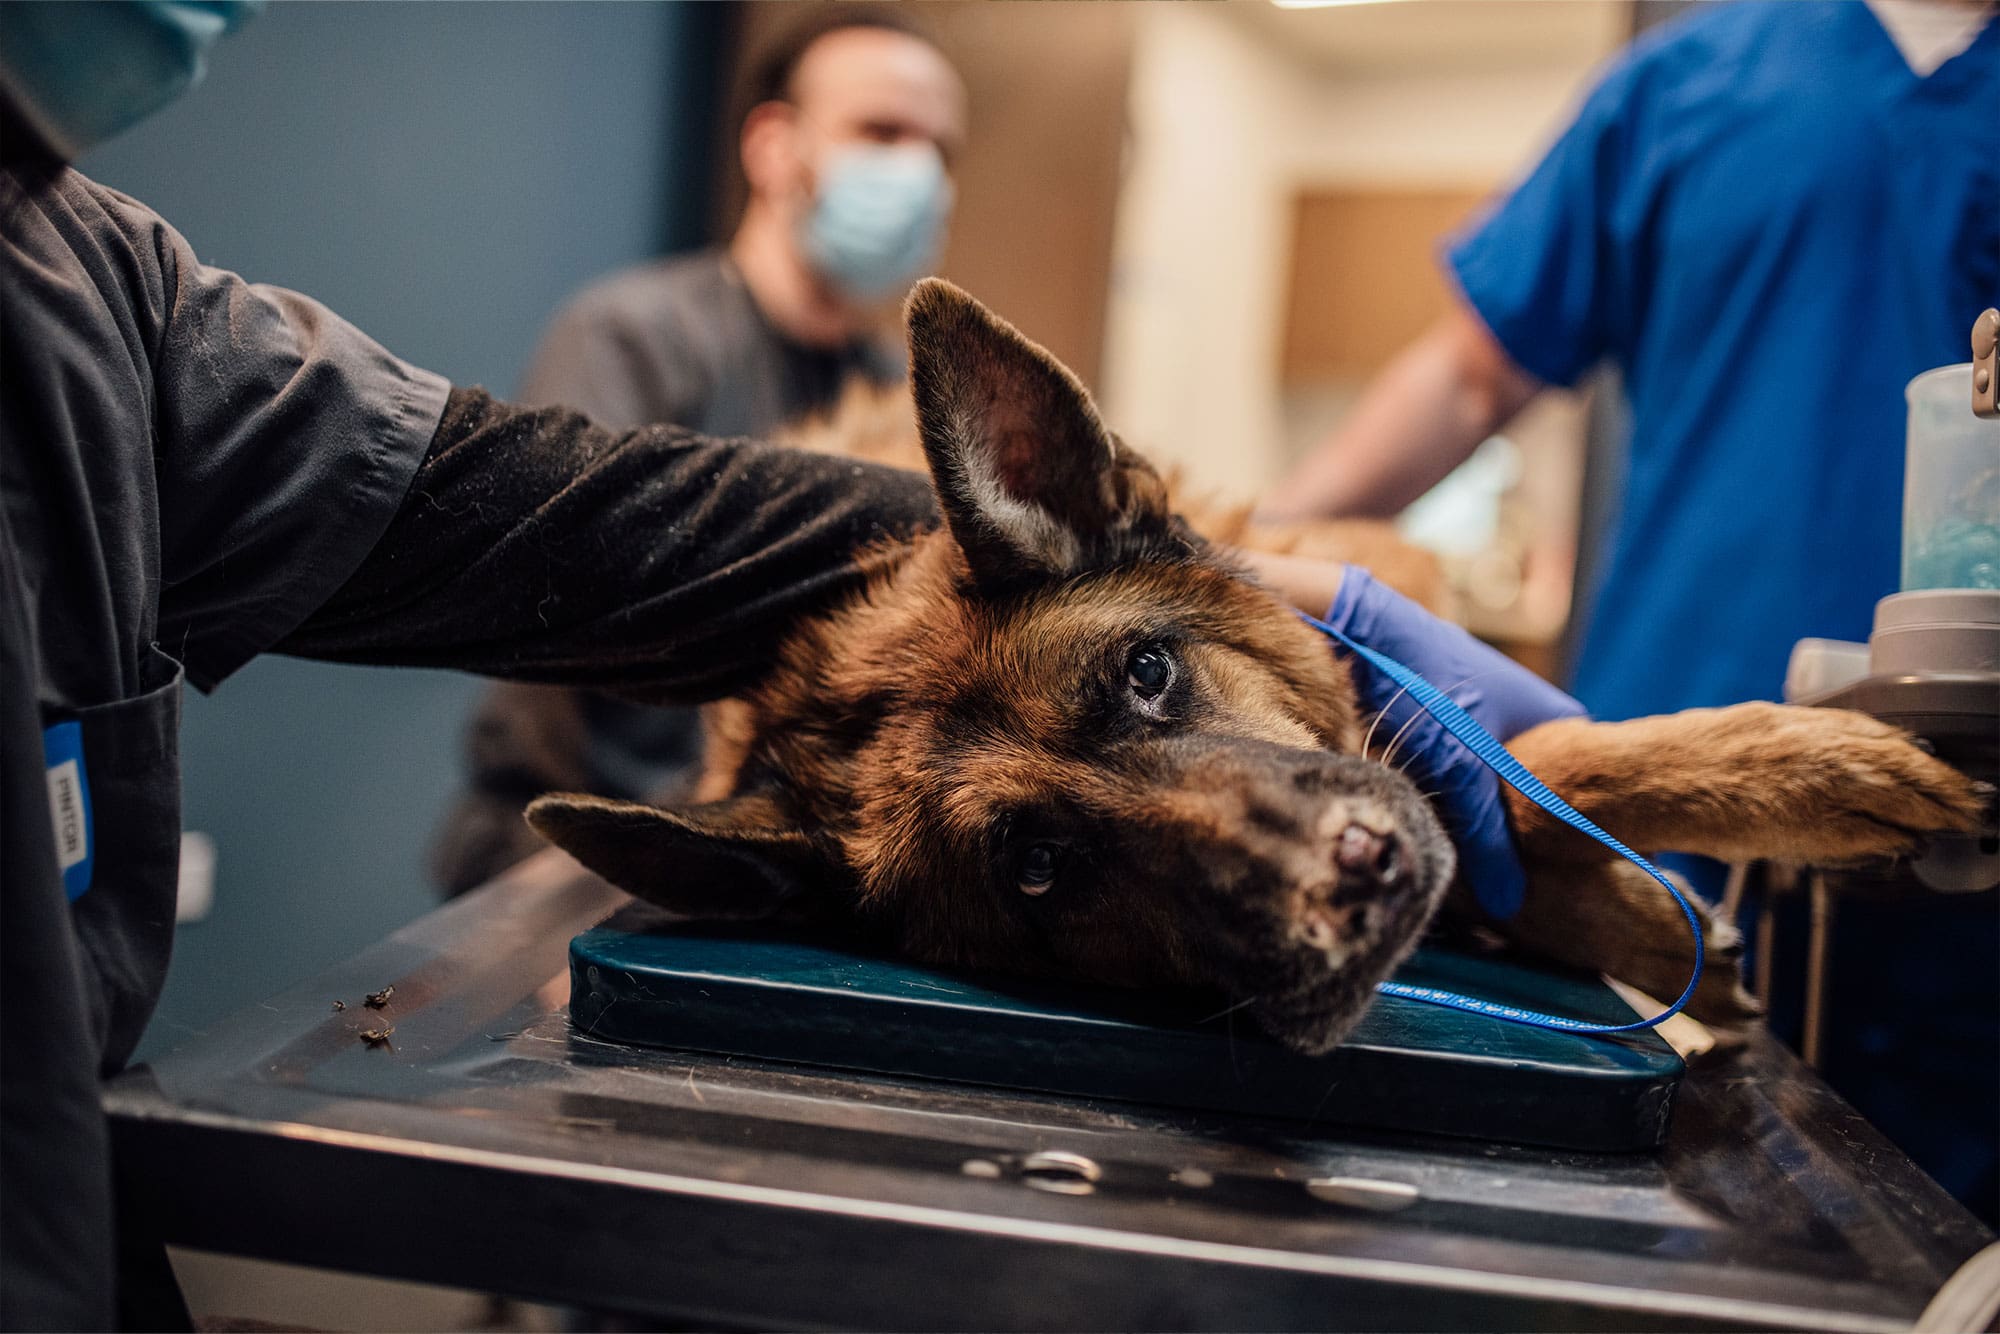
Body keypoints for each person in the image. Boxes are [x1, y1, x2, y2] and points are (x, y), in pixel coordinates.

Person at [1262, 0, 1998, 1219]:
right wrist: (1233, 556)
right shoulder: (1689, 81)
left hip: (1970, 865)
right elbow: (1468, 368)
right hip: (1660, 801)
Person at [431, 7, 969, 894]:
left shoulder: (902, 389)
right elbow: (563, 600)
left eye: (941, 152)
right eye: (882, 131)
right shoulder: (633, 337)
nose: (918, 172)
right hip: (573, 846)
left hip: (765, 860)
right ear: (774, 147)